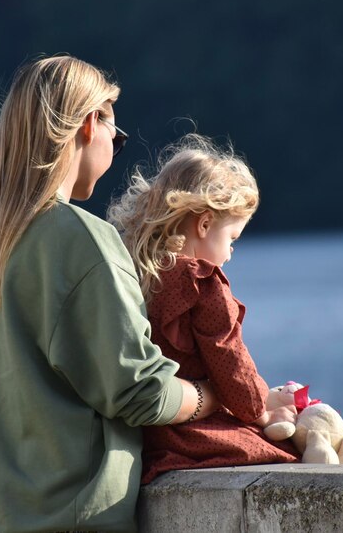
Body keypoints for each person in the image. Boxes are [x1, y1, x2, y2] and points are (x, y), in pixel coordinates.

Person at [0, 56, 219, 532]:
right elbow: (138, 392)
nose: (116, 149)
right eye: (116, 138)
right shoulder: (83, 238)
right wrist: (212, 395)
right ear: (88, 124)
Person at [107, 134, 301, 484]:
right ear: (205, 223)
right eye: (232, 239)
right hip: (194, 436)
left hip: (149, 439)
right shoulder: (202, 282)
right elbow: (231, 364)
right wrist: (262, 410)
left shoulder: (138, 272)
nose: (230, 254)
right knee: (292, 453)